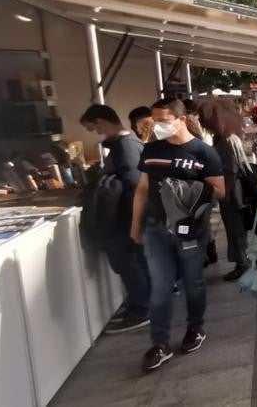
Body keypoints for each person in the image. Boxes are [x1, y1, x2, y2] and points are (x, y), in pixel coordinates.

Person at [131, 98, 226, 372]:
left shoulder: (203, 153)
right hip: (156, 228)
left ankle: (195, 328)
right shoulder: (150, 150)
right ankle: (159, 342)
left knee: (193, 282)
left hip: (190, 229)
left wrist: (187, 190)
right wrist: (135, 226)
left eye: (163, 121)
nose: (158, 126)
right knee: (160, 286)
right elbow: (142, 190)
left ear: (181, 119)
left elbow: (220, 191)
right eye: (155, 121)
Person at [80, 104, 150, 333]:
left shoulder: (125, 146)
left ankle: (141, 308)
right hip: (130, 215)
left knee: (129, 262)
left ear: (101, 121)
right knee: (134, 261)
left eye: (93, 128)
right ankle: (141, 303)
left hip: (126, 217)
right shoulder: (127, 143)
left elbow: (132, 184)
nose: (95, 133)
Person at [197, 100, 254, 282]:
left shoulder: (224, 140)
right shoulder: (229, 137)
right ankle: (242, 261)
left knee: (235, 227)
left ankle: (242, 263)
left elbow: (230, 169)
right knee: (237, 228)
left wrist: (222, 193)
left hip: (231, 192)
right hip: (234, 190)